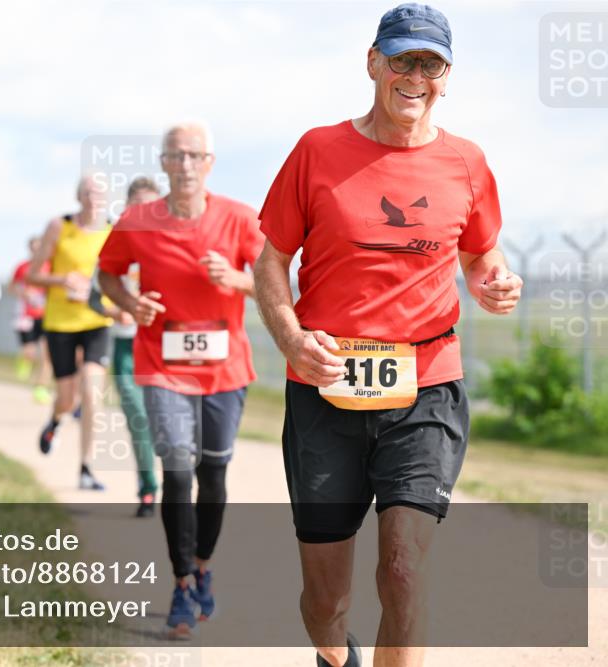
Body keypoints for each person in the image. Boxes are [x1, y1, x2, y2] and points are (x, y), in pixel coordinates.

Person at [252, 5, 523, 666]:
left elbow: (483, 256)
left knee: (404, 570)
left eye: (429, 63)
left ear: (447, 75)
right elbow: (269, 260)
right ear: (373, 62)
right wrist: (290, 338)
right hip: (325, 389)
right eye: (402, 59)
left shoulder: (467, 161)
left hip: (425, 386)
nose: (414, 76)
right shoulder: (318, 149)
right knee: (325, 602)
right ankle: (332, 654)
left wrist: (496, 281)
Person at [98, 123, 264, 638]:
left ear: (210, 161)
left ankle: (203, 564)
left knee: (213, 474)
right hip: (162, 363)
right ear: (164, 163)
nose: (186, 165)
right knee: (176, 467)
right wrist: (130, 302)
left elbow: (275, 282)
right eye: (176, 156)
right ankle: (182, 581)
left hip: (224, 368)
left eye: (195, 155)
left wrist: (237, 280)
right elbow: (106, 273)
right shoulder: (138, 219)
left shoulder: (239, 218)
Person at [29, 174, 116, 491]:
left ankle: (86, 467)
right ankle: (54, 421)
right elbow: (33, 276)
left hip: (97, 320)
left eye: (100, 193)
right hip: (61, 322)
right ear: (78, 196)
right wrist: (63, 280)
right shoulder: (59, 227)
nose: (94, 198)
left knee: (92, 393)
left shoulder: (113, 230)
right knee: (66, 397)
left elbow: (125, 273)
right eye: (88, 192)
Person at [89, 177, 162, 518]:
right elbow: (93, 293)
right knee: (138, 416)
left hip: (166, 347)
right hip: (125, 347)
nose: (142, 213)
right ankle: (148, 489)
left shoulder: (170, 244)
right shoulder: (115, 244)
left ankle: (180, 485)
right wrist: (113, 308)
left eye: (150, 206)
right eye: (136, 206)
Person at [11, 237, 53, 404]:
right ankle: (25, 361)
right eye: (34, 248)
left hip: (45, 315)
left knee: (47, 353)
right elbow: (13, 286)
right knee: (29, 351)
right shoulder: (22, 267)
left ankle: (41, 388)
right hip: (26, 315)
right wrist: (23, 294)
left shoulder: (50, 266)